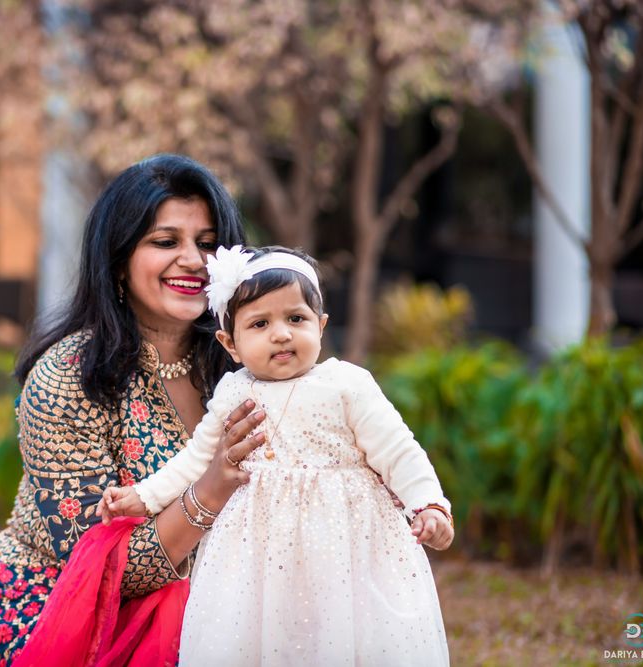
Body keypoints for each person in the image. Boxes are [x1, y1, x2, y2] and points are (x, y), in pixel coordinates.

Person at [0, 154, 271, 666]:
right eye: (165, 242)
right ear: (119, 259)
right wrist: (211, 488)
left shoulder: (240, 369)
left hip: (210, 607)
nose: (192, 259)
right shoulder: (71, 377)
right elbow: (101, 571)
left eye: (207, 243)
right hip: (55, 616)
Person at [98, 245, 455, 666]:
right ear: (230, 343)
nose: (281, 334)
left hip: (347, 543)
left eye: (296, 319)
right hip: (256, 550)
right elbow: (196, 458)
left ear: (321, 325)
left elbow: (398, 450)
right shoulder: (234, 392)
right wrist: (143, 496)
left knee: (344, 635)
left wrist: (428, 504)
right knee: (261, 637)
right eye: (260, 323)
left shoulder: (347, 385)